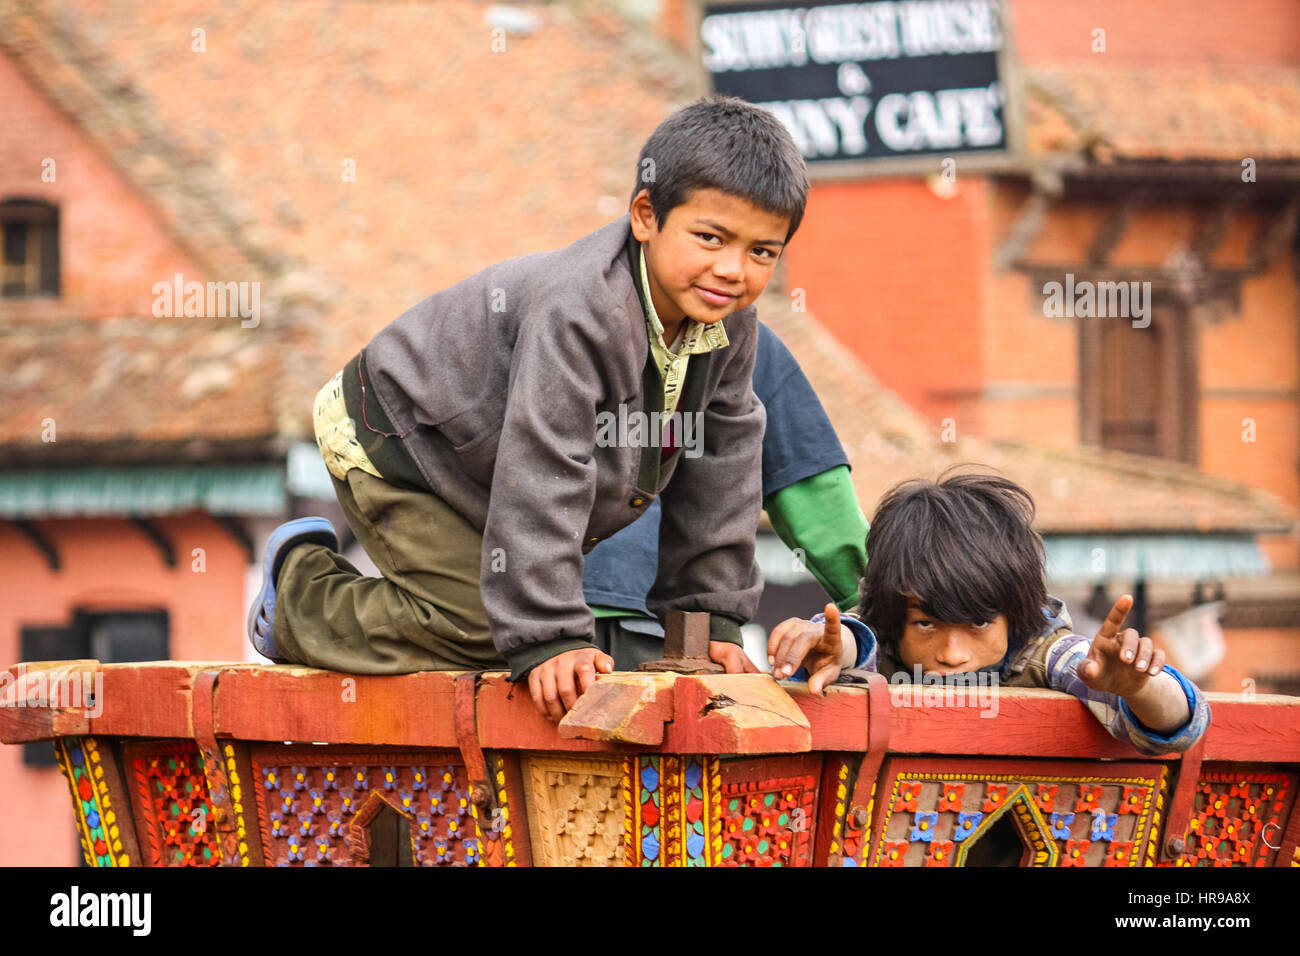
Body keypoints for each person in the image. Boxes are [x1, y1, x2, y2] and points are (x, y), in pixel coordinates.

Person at [246, 94, 810, 721]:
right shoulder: (581, 312)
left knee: (508, 608)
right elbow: (548, 460)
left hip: (484, 460)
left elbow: (721, 470)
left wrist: (713, 625)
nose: (733, 269)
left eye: (763, 251)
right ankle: (299, 593)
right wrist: (549, 635)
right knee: (492, 629)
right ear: (646, 216)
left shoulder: (730, 326)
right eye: (711, 237)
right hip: (399, 435)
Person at [766, 471, 1211, 755]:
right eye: (926, 624)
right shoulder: (881, 635)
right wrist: (832, 648)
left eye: (979, 623)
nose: (952, 654)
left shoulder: (1044, 650)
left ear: (1015, 614)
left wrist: (1138, 689)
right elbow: (854, 643)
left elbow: (1182, 723)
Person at [582, 321, 868, 673]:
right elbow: (815, 500)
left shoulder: (546, 309)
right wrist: (888, 611)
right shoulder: (736, 330)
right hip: (654, 626)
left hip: (533, 613)